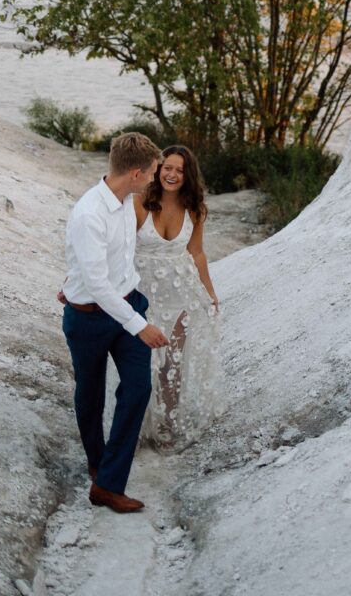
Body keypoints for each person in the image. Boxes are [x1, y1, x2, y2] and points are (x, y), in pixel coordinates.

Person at [60, 132, 168, 514]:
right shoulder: (89, 213)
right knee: (90, 395)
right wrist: (140, 325)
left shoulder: (127, 201)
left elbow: (105, 264)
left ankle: (106, 484)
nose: (156, 178)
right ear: (137, 173)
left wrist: (73, 282)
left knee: (137, 389)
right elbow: (97, 284)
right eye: (154, 171)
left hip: (127, 303)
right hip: (90, 319)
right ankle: (97, 461)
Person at [133, 145, 223, 448]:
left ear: (188, 175)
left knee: (172, 365)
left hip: (180, 294)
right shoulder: (139, 203)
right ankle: (136, 426)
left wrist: (209, 293)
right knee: (140, 363)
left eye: (180, 170)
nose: (172, 174)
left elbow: (196, 252)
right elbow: (118, 249)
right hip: (142, 295)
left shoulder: (194, 209)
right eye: (167, 167)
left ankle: (166, 427)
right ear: (158, 169)